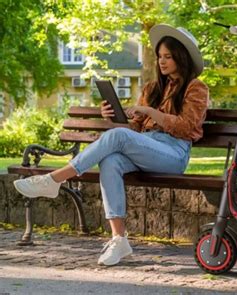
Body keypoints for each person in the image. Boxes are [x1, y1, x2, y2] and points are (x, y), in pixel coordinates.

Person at [13, 24, 209, 266]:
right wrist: (111, 117)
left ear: (182, 57)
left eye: (168, 56)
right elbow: (133, 131)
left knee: (117, 137)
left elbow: (188, 127)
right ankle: (119, 239)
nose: (162, 61)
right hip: (148, 146)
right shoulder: (152, 89)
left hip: (173, 153)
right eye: (159, 56)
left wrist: (149, 112)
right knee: (111, 160)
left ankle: (55, 179)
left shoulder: (196, 88)